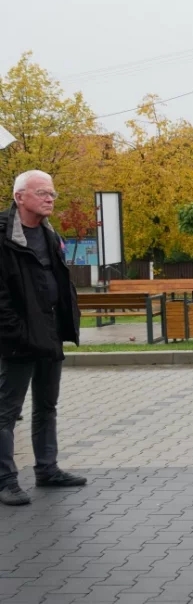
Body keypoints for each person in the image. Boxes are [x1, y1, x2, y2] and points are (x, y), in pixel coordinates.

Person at [0, 170, 84, 507]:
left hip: (50, 333)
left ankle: (47, 469)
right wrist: (16, 332)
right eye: (42, 192)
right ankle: (6, 480)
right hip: (19, 338)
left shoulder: (50, 235)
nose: (50, 198)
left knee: (47, 406)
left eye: (53, 193)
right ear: (20, 197)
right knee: (6, 412)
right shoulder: (4, 236)